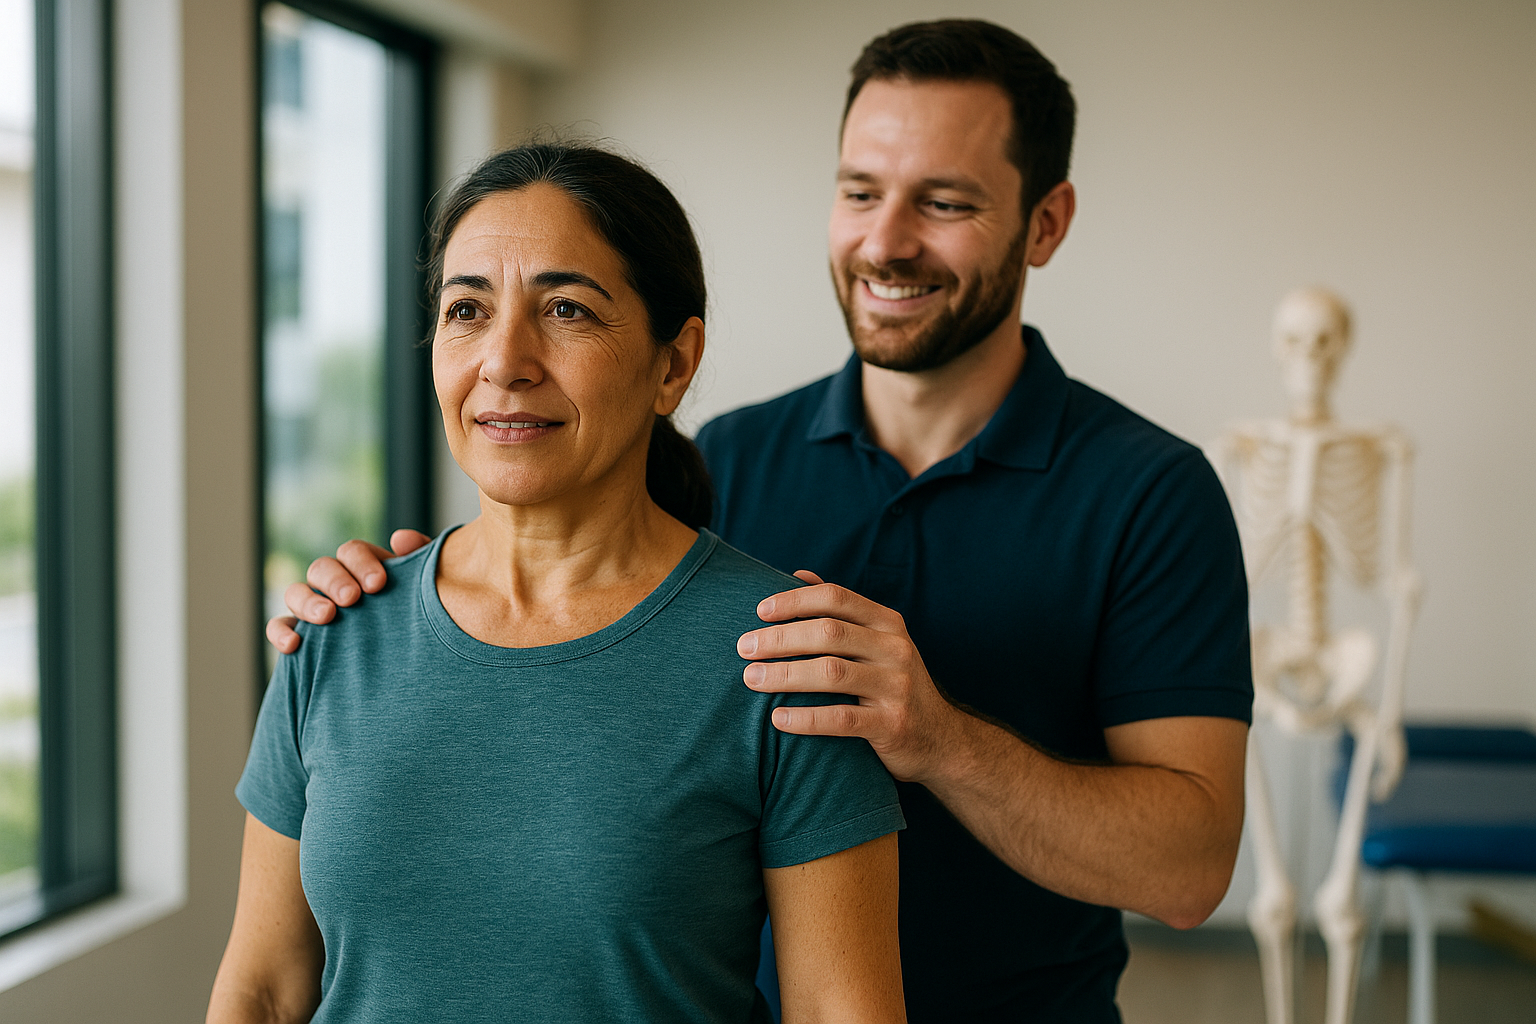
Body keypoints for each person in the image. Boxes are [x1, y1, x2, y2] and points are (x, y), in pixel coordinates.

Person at [268, 20, 1252, 1024]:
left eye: (944, 203)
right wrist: (400, 607)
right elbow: (564, 592)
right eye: (860, 192)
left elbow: (1190, 872)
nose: (886, 241)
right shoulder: (731, 457)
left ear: (1045, 224)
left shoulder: (1150, 493)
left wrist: (942, 739)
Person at [212, 144, 908, 1024]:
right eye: (467, 309)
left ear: (673, 364)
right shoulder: (337, 631)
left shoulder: (785, 660)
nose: (504, 360)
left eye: (567, 309)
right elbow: (263, 991)